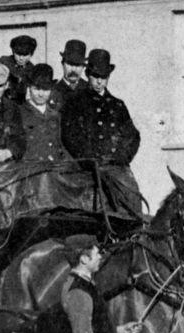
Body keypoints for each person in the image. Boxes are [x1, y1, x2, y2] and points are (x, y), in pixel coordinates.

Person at [61, 49, 142, 215]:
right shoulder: (75, 102)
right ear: (88, 75)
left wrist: (122, 157)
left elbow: (132, 135)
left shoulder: (117, 105)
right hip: (86, 166)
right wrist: (87, 158)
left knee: (132, 198)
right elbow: (70, 135)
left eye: (103, 78)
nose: (99, 82)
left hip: (115, 166)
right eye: (95, 76)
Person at [20, 64, 71, 162]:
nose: (41, 94)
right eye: (36, 89)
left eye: (45, 89)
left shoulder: (55, 115)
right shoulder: (19, 113)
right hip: (30, 170)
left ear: (51, 90)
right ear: (29, 88)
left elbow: (59, 146)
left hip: (54, 168)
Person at [49, 39, 87, 112]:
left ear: (83, 67)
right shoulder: (53, 91)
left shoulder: (90, 89)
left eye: (77, 65)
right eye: (70, 64)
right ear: (63, 64)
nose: (73, 69)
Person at [0, 34, 36, 105]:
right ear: (13, 51)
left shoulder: (33, 70)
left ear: (31, 54)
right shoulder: (3, 62)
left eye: (25, 55)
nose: (21, 58)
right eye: (18, 54)